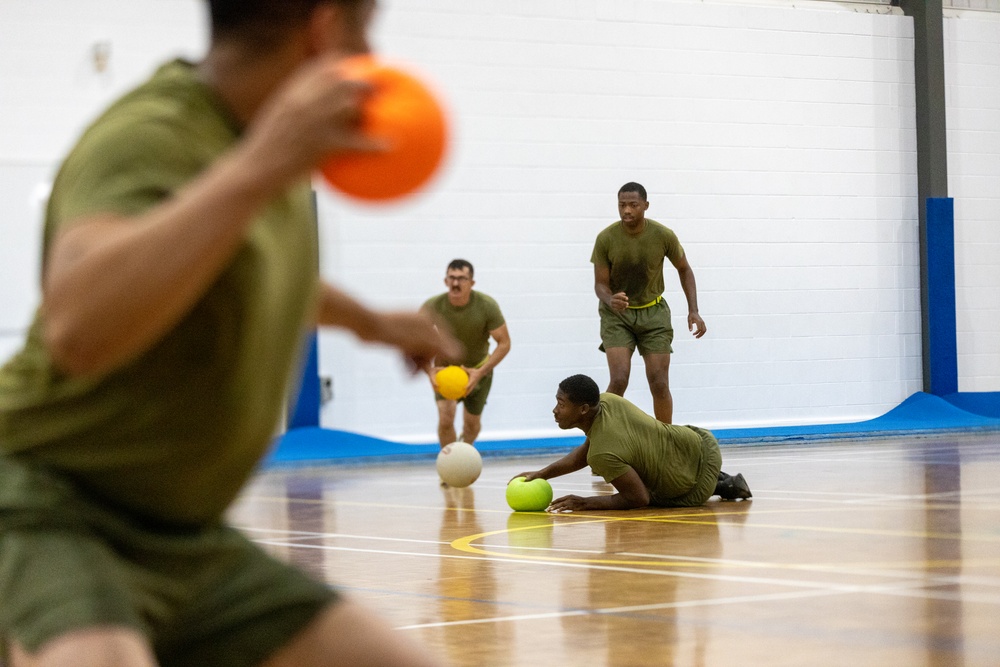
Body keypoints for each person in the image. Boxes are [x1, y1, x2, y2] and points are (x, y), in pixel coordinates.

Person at [0, 2, 454, 666]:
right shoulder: (151, 136)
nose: (372, 58)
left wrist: (375, 323)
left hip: (181, 541)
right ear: (326, 31)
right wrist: (256, 169)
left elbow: (251, 269)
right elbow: (77, 326)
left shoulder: (275, 154)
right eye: (365, 34)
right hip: (45, 500)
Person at [515, 375, 751, 512]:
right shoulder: (608, 401)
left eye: (561, 404)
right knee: (645, 453)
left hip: (693, 489)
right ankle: (722, 480)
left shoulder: (602, 454)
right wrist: (543, 474)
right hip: (702, 442)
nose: (555, 410)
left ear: (584, 409)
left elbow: (638, 499)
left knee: (651, 495)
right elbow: (583, 454)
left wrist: (585, 502)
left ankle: (721, 486)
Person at [591, 181, 707, 424]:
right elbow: (600, 285)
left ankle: (666, 442)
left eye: (633, 205)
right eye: (622, 205)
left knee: (659, 383)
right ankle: (599, 439)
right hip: (617, 316)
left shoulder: (663, 235)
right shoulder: (606, 238)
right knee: (619, 379)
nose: (627, 211)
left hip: (653, 313)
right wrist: (610, 299)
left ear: (645, 205)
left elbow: (685, 269)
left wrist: (693, 310)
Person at [422, 259, 510, 449]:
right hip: (445, 372)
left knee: (472, 426)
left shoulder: (487, 306)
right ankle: (449, 465)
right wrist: (429, 371)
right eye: (451, 278)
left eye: (461, 278)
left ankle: (463, 452)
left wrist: (481, 372)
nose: (455, 283)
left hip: (478, 371)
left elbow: (504, 343)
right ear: (445, 281)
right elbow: (415, 342)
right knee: (446, 419)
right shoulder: (433, 306)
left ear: (472, 282)